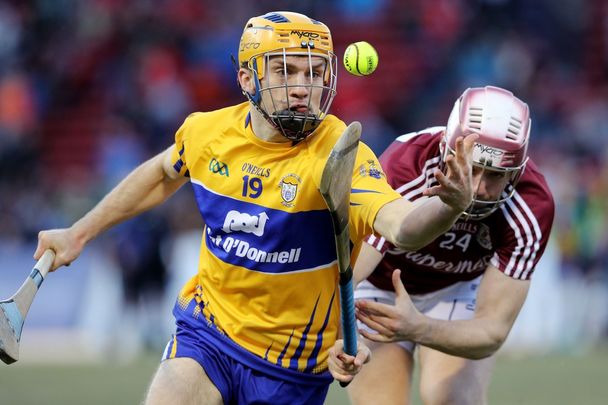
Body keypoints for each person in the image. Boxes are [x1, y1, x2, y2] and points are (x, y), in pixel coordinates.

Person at [34, 12, 477, 405]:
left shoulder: (341, 154)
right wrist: (79, 232)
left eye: (315, 72)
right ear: (247, 79)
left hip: (291, 367)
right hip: (208, 332)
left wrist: (448, 206)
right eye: (286, 70)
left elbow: (400, 226)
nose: (302, 87)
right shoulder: (208, 133)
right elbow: (163, 173)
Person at [328, 86, 555, 404]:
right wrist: (340, 334)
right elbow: (349, 273)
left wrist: (419, 328)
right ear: (448, 152)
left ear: (516, 174)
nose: (478, 188)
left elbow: (491, 332)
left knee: (452, 399)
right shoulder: (405, 166)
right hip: (378, 290)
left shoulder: (532, 207)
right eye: (471, 169)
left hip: (456, 291)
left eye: (495, 175)